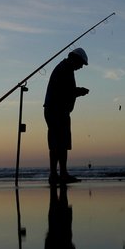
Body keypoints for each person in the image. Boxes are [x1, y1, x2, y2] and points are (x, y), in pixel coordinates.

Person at [43, 47, 89, 184]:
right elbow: (65, 92)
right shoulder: (65, 69)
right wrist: (79, 91)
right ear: (75, 59)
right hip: (57, 111)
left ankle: (58, 174)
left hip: (55, 110)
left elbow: (64, 90)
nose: (81, 67)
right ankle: (60, 174)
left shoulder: (64, 68)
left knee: (58, 144)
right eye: (81, 64)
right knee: (60, 144)